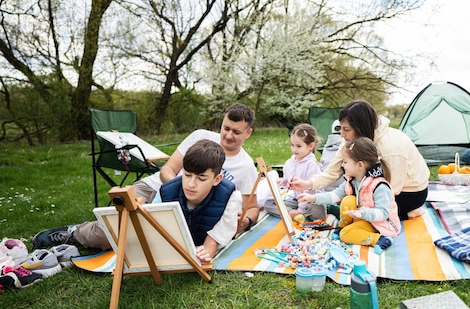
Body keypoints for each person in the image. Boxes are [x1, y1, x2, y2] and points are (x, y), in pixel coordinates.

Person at [33, 104, 259, 250]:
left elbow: (252, 208)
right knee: (113, 233)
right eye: (225, 128)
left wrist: (242, 222)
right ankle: (75, 232)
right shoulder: (200, 137)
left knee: (139, 243)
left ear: (248, 133)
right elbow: (167, 170)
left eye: (236, 132)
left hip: (193, 210)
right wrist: (177, 195)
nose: (228, 135)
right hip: (155, 189)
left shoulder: (246, 166)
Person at [290, 100, 429, 220]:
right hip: (377, 184)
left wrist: (363, 203)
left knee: (359, 211)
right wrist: (307, 184)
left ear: (360, 128)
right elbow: (331, 172)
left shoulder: (391, 148)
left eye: (346, 129)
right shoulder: (351, 141)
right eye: (340, 129)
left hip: (409, 193)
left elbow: (391, 191)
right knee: (350, 199)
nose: (342, 135)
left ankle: (407, 212)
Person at [298, 137, 401, 254]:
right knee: (348, 200)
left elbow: (383, 213)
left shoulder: (379, 186)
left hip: (379, 224)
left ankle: (380, 240)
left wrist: (363, 212)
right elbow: (335, 195)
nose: (342, 165)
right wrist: (313, 198)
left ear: (360, 165)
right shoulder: (352, 180)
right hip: (363, 217)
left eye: (345, 162)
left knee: (345, 235)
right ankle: (344, 226)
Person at [159, 139, 241, 262]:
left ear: (217, 179)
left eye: (201, 178)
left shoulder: (230, 196)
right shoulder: (167, 192)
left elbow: (214, 240)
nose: (191, 184)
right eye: (187, 175)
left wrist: (206, 251)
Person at [264, 123, 326, 222]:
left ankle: (297, 214)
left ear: (311, 146)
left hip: (311, 201)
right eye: (292, 145)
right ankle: (293, 214)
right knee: (268, 203)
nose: (294, 149)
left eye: (298, 146)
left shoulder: (311, 164)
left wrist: (300, 209)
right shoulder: (289, 163)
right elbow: (290, 180)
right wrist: (284, 181)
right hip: (297, 200)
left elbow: (310, 190)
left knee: (317, 212)